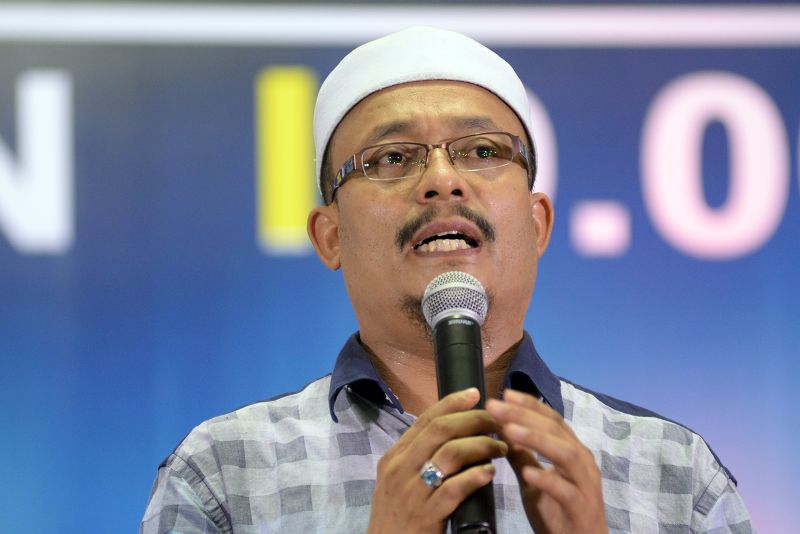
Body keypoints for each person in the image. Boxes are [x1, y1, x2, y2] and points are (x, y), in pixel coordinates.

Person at [141, 26, 752, 533]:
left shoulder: (674, 478)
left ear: (537, 223)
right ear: (330, 236)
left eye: (482, 152)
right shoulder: (226, 472)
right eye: (392, 158)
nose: (442, 180)